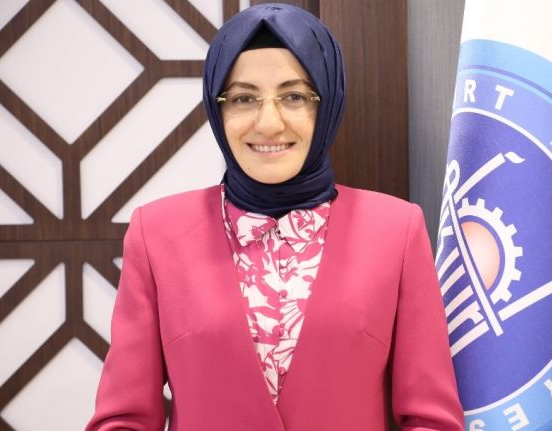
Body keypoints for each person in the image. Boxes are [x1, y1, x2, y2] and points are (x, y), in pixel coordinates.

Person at [87, 4, 464, 430]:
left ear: (328, 104)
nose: (268, 123)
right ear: (217, 108)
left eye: (294, 96)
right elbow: (124, 419)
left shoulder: (397, 231)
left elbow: (431, 419)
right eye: (244, 98)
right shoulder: (157, 234)